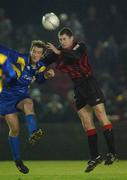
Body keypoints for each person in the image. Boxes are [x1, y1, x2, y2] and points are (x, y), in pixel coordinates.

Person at [43, 27, 117, 172]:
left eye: (64, 39)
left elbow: (75, 57)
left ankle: (112, 153)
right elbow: (46, 61)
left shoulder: (80, 46)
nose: (62, 42)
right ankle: (95, 156)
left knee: (101, 115)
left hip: (89, 83)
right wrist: (38, 62)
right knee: (85, 121)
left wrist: (58, 52)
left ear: (71, 38)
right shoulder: (59, 51)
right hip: (78, 87)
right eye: (60, 39)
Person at [0, 40, 54, 174]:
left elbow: (40, 78)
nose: (35, 54)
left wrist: (46, 75)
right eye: (34, 51)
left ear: (42, 55)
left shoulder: (40, 66)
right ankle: (18, 161)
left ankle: (33, 132)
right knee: (14, 129)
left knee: (29, 104)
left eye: (39, 53)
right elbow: (9, 53)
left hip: (21, 96)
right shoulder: (22, 59)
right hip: (5, 98)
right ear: (30, 51)